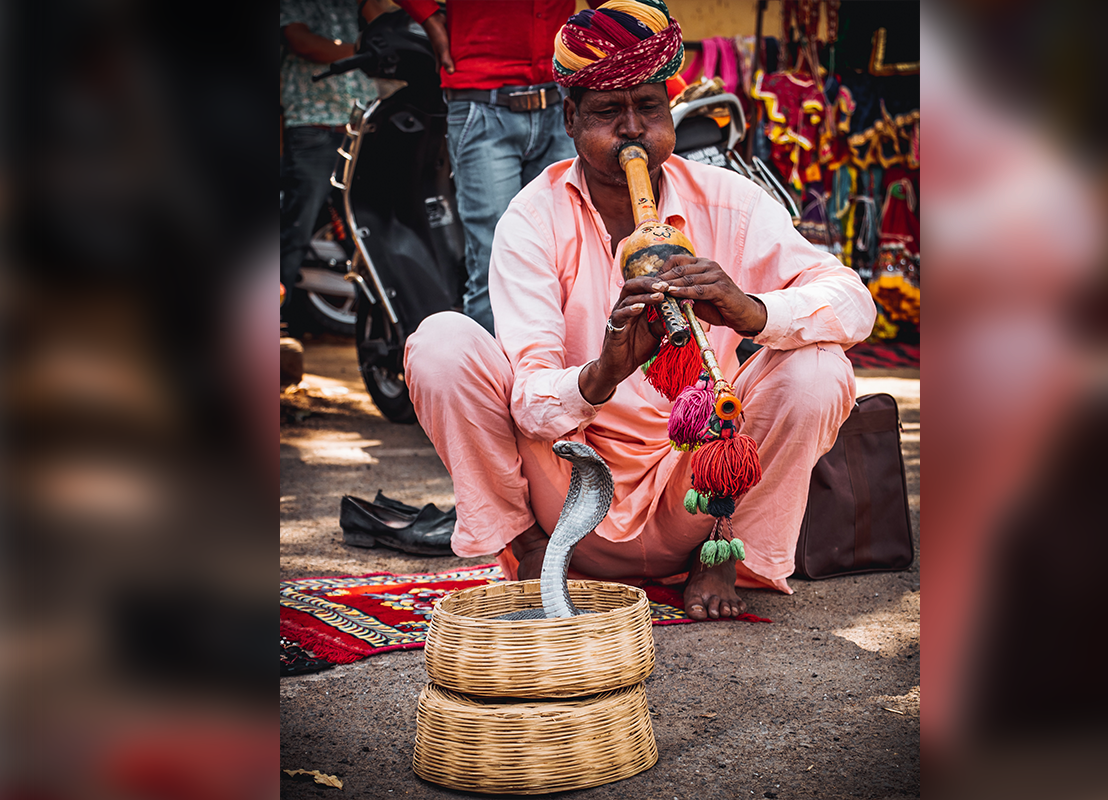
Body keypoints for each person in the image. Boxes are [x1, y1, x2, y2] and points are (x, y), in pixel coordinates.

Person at [403, 0, 876, 619]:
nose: (632, 130)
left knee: (818, 369)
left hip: (701, 495)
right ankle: (530, 551)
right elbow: (530, 401)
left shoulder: (728, 201)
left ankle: (725, 559)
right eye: (608, 112)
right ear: (570, 119)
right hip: (571, 496)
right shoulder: (532, 218)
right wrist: (602, 374)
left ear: (669, 112)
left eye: (649, 108)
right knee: (441, 343)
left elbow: (853, 303)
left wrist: (749, 309)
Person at [383, 0, 604, 336]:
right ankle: (490, 387)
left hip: (561, 101)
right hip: (482, 105)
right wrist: (429, 19)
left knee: (569, 256)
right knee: (495, 261)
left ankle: (560, 382)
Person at [279, 0, 376, 318]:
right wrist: (364, 50)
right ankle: (274, 326)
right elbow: (302, 43)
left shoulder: (355, 4)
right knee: (295, 229)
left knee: (364, 228)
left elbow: (382, 25)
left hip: (358, 128)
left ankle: (377, 321)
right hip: (313, 128)